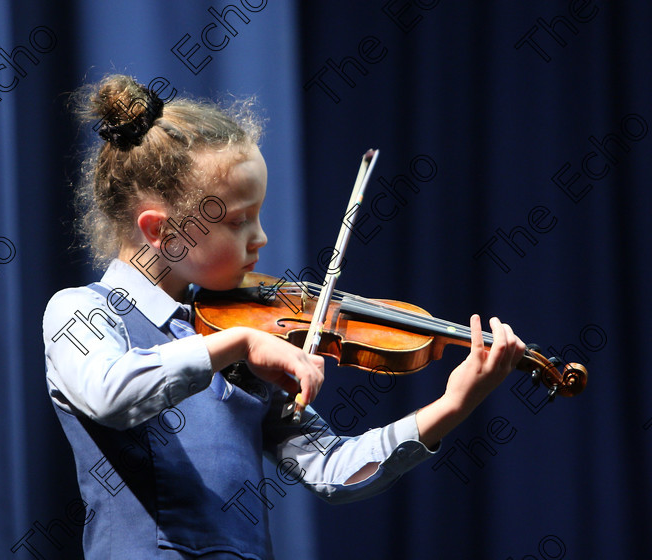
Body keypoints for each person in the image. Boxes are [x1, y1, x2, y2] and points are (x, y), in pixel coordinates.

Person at [42, 74, 525, 559]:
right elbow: (111, 395)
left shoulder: (233, 327)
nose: (260, 238)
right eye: (237, 221)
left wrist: (450, 406)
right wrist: (238, 346)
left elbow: (331, 468)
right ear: (163, 232)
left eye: (259, 215)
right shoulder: (82, 311)